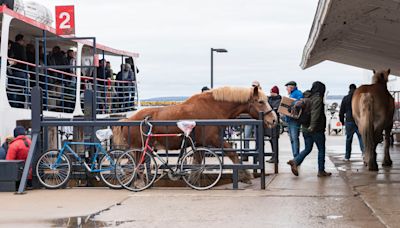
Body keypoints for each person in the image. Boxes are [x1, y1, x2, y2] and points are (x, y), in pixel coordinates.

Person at [287, 82, 332, 177]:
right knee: (321, 149)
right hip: (316, 129)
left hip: (305, 128)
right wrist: (312, 126)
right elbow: (315, 113)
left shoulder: (306, 97)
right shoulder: (317, 98)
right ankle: (321, 171)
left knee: (308, 148)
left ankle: (295, 161)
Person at [339, 84, 364, 161]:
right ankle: (364, 153)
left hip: (349, 121)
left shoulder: (346, 98)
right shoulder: (359, 98)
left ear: (349, 89)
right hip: (359, 121)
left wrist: (342, 121)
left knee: (349, 139)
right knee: (361, 138)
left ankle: (347, 156)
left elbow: (341, 112)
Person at [285, 81, 303, 158]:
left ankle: (296, 156)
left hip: (294, 120)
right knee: (292, 139)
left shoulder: (298, 93)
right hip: (289, 120)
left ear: (292, 87)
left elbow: (300, 101)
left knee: (294, 138)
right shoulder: (292, 94)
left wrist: (290, 105)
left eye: (287, 88)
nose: (286, 89)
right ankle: (295, 155)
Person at [244, 81, 263, 150]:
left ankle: (258, 152)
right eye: (252, 85)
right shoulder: (248, 95)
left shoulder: (261, 95)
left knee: (258, 137)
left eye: (255, 86)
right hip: (249, 118)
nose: (253, 87)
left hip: (258, 119)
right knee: (246, 136)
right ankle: (246, 152)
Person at [266, 86, 282, 163]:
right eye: (270, 92)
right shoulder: (268, 99)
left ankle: (275, 158)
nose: (271, 93)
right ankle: (273, 156)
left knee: (274, 140)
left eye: (272, 92)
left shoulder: (279, 100)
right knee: (271, 140)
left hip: (275, 122)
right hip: (269, 122)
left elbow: (277, 109)